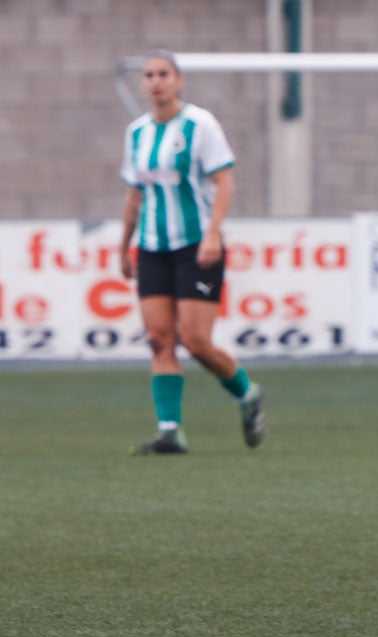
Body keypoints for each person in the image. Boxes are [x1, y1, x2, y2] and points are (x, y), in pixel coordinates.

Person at [119, 49, 265, 455]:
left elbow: (225, 182)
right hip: (151, 247)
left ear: (178, 79)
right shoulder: (137, 132)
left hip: (195, 245)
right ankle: (170, 431)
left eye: (163, 73)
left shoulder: (200, 125)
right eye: (148, 74)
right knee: (159, 339)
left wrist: (213, 235)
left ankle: (247, 393)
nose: (155, 81)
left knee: (197, 341)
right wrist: (123, 246)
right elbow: (134, 196)